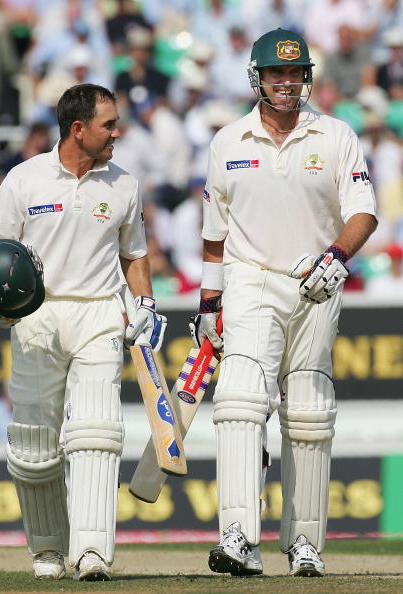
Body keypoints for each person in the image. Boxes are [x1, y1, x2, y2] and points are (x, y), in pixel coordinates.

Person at [191, 28, 377, 578]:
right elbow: (213, 234)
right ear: (258, 78)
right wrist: (208, 303)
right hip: (250, 279)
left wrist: (336, 257)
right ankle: (240, 536)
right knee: (242, 400)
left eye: (295, 74)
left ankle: (304, 543)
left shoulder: (337, 135)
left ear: (307, 78)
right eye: (277, 75)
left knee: (309, 413)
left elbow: (363, 211)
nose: (287, 84)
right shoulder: (228, 141)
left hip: (315, 280)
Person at [0, 83, 166, 581]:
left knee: (97, 432)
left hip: (100, 314)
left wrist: (144, 305)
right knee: (35, 444)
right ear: (78, 129)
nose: (117, 132)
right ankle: (49, 551)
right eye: (108, 125)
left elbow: (135, 254)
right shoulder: (25, 178)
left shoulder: (124, 184)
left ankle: (93, 554)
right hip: (37, 316)